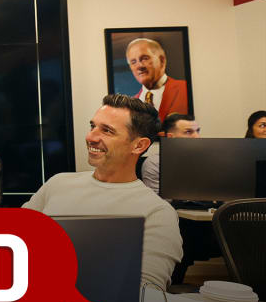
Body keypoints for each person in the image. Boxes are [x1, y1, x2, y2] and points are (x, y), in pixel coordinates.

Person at [23, 94, 182, 289]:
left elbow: (144, 295)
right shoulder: (57, 184)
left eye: (106, 130)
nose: (90, 137)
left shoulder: (157, 213)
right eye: (93, 126)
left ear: (139, 145)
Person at [126, 38, 189, 120]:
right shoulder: (130, 105)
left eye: (145, 58)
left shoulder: (185, 88)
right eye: (133, 62)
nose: (139, 66)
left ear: (162, 60)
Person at [141, 113, 200, 196]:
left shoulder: (206, 159)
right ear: (170, 137)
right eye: (188, 132)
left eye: (197, 131)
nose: (197, 137)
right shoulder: (155, 163)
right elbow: (157, 200)